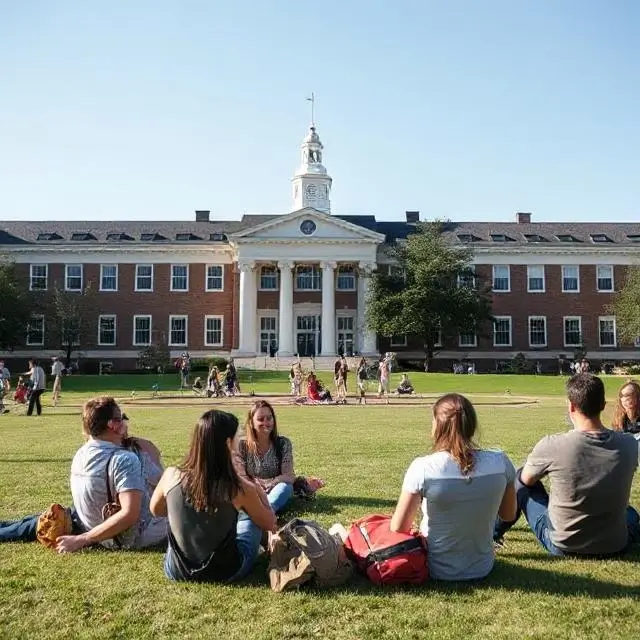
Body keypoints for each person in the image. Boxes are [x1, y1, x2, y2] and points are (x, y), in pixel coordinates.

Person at [494, 373, 640, 556]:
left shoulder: (553, 445)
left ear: (571, 406)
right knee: (631, 514)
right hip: (615, 545)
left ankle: (494, 533)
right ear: (603, 405)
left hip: (563, 545)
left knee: (521, 478)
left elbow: (526, 480)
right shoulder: (629, 444)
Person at [0, 397, 167, 551]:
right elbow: (130, 514)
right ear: (113, 425)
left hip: (90, 524)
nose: (125, 422)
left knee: (33, 522)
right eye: (121, 418)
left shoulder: (81, 453)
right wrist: (82, 539)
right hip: (123, 537)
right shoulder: (124, 459)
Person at [390, 394, 516, 580]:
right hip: (483, 566)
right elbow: (508, 515)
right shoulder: (500, 463)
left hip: (435, 568)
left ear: (437, 426)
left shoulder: (423, 468)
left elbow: (398, 527)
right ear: (471, 424)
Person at [151, 410, 277, 583]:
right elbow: (270, 523)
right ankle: (267, 551)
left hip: (177, 571)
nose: (239, 442)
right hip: (224, 572)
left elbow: (156, 510)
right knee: (249, 522)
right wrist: (258, 490)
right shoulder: (238, 487)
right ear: (228, 443)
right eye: (237, 437)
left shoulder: (171, 475)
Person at [233, 400, 295, 514]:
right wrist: (256, 486)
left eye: (269, 418)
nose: (266, 422)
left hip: (275, 489)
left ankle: (265, 512)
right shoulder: (241, 445)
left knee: (285, 488)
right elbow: (240, 476)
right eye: (260, 419)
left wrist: (271, 483)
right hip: (250, 490)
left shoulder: (283, 444)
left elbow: (289, 476)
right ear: (251, 422)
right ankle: (261, 513)